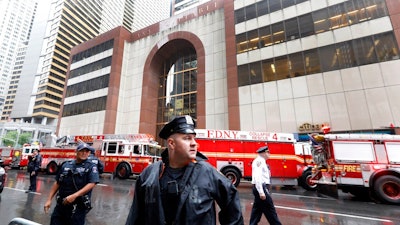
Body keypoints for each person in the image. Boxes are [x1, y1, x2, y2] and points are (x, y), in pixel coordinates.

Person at [125, 115, 244, 225]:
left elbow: (231, 204)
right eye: (187, 138)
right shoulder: (149, 175)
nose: (194, 144)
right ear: (171, 143)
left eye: (194, 138)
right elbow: (135, 216)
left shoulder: (207, 172)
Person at [44, 143, 100, 225]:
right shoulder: (66, 165)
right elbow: (58, 182)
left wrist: (74, 196)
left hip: (77, 208)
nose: (84, 153)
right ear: (76, 152)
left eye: (87, 151)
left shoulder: (91, 167)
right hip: (61, 206)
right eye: (82, 151)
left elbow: (92, 183)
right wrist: (49, 200)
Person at [249, 146, 282, 225]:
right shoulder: (259, 162)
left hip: (261, 187)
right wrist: (261, 192)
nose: (269, 154)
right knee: (270, 210)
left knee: (257, 211)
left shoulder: (262, 161)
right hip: (262, 188)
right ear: (263, 153)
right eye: (268, 152)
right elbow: (258, 177)